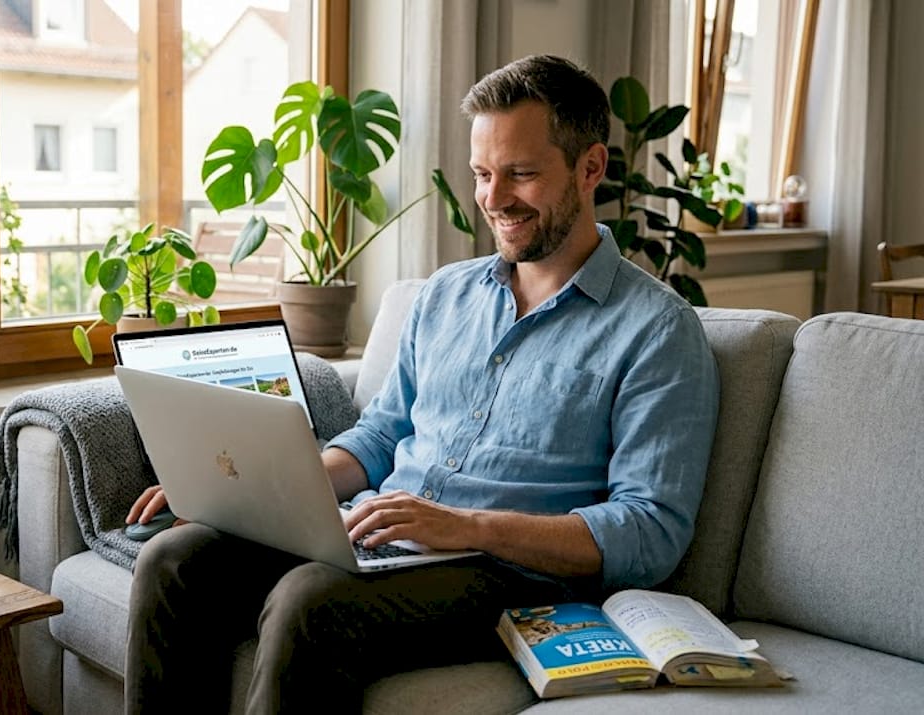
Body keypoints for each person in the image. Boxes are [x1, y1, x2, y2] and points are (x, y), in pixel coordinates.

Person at [123, 54, 720, 714]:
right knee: (175, 560)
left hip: (510, 578)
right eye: (483, 174)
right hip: (382, 539)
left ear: (590, 168)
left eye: (521, 173)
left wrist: (462, 525)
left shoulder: (657, 330)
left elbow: (649, 532)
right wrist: (258, 489)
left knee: (308, 599)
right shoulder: (443, 296)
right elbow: (379, 436)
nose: (493, 199)